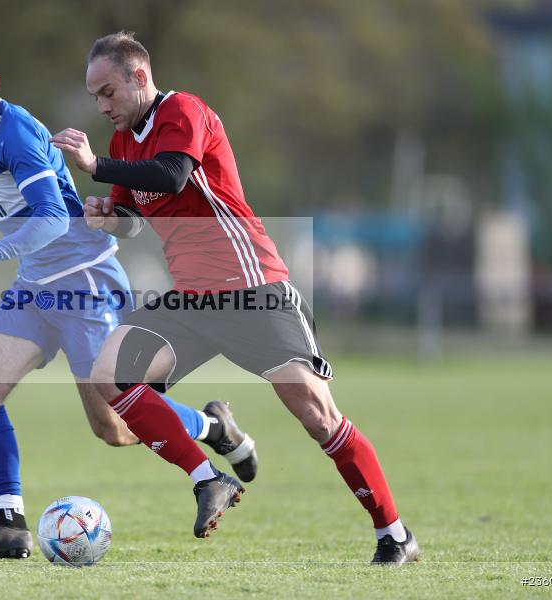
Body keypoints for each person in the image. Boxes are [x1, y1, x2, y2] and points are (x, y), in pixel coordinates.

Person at [51, 31, 420, 564]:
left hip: (252, 289)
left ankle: (395, 534)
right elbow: (133, 217)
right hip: (194, 300)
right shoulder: (123, 144)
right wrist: (109, 218)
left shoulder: (183, 110)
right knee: (109, 374)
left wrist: (94, 167)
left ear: (139, 77)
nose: (102, 105)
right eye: (94, 97)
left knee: (319, 417)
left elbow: (172, 176)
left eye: (107, 92)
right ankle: (207, 478)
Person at [0, 33, 258, 561]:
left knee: (116, 426)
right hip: (34, 288)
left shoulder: (17, 133)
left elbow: (51, 219)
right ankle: (8, 525)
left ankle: (212, 426)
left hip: (85, 278)